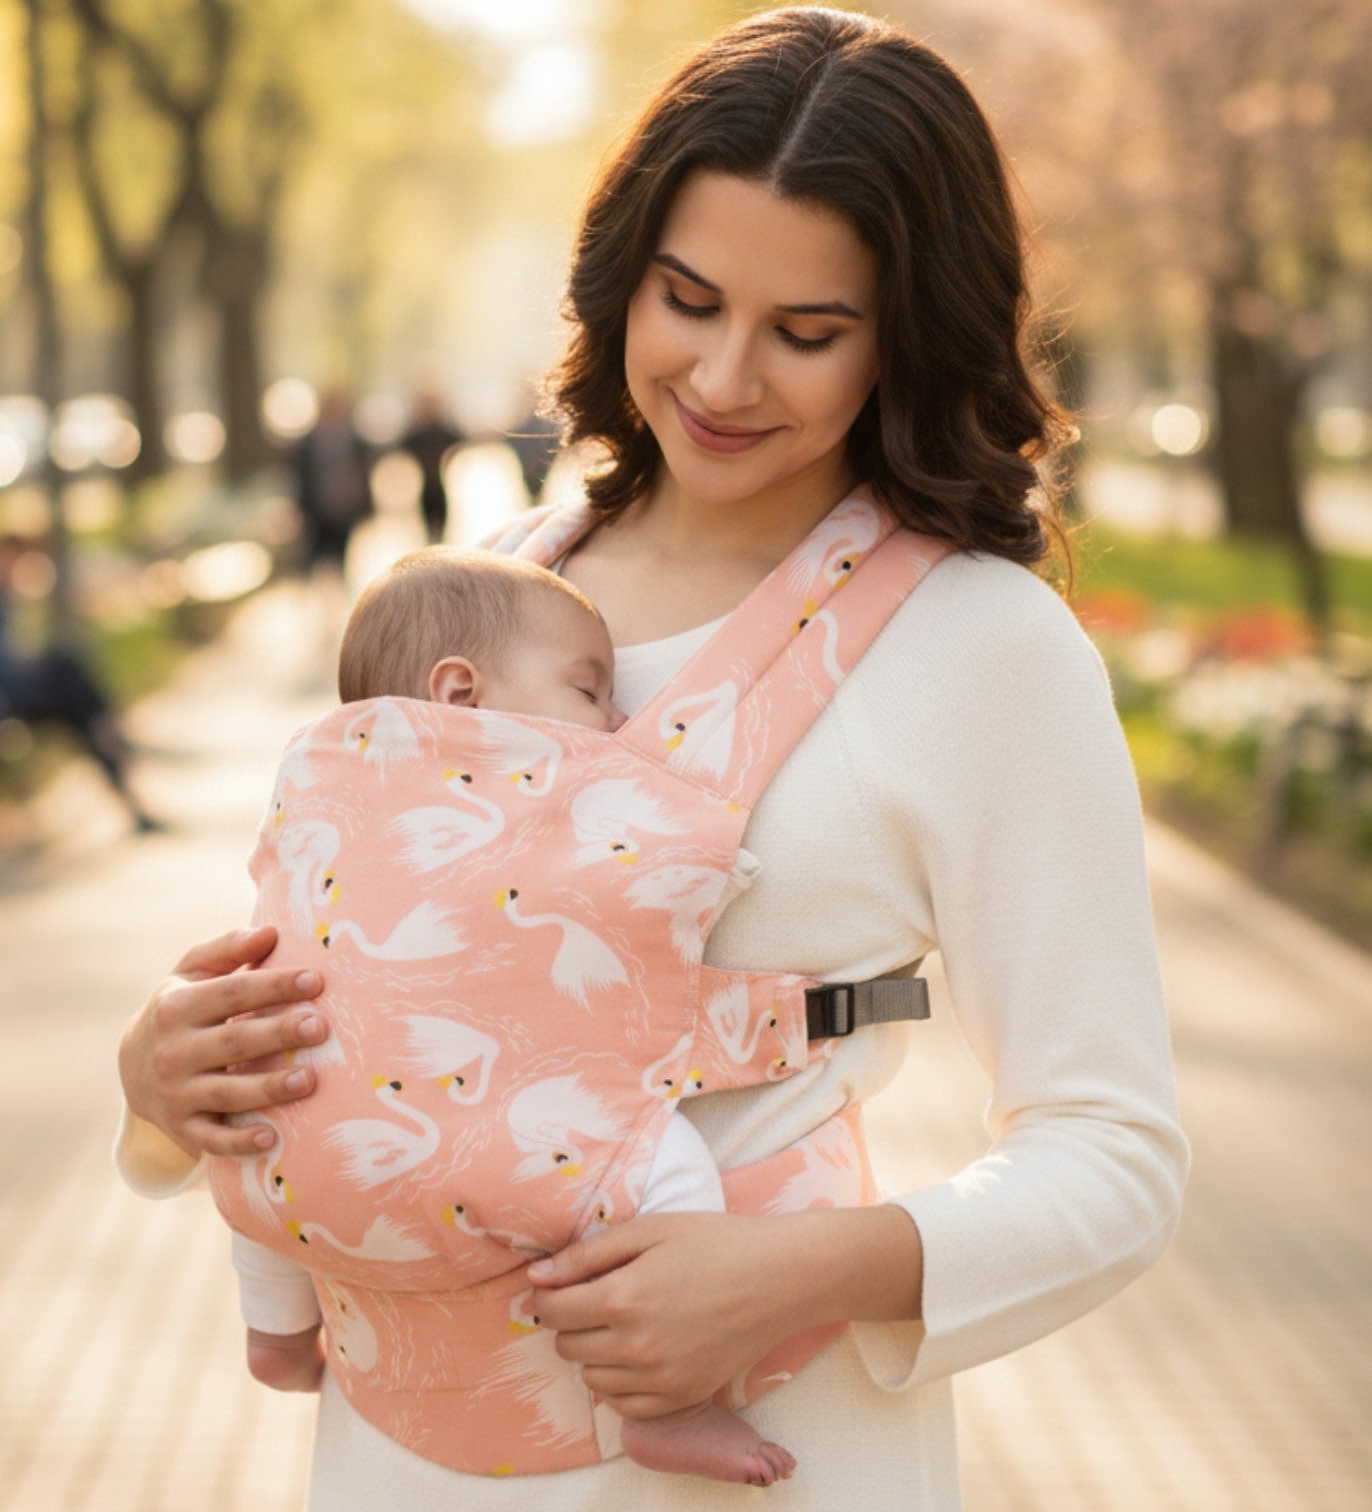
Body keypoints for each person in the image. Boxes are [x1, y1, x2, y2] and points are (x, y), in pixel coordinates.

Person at [115, 10, 1189, 1509]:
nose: (728, 376)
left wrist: (796, 1271)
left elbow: (1114, 1151)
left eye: (808, 333)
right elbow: (351, 974)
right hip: (401, 1449)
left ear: (906, 336)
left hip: (770, 1447)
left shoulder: (979, 646)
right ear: (623, 276)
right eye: (687, 300)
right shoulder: (497, 584)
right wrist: (161, 1084)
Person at [230, 545, 792, 1487]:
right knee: (661, 1168)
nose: (613, 719)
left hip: (289, 1116)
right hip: (491, 1138)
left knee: (262, 1158)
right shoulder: (537, 798)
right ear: (460, 696)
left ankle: (276, 1332)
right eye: (589, 689)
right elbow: (632, 877)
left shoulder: (317, 774)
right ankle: (669, 1400)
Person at [0, 533, 159, 832]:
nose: (17, 576)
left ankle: (112, 742)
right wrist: (30, 667)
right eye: (15, 566)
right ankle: (111, 729)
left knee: (77, 705)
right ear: (0, 557)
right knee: (67, 673)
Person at [292, 389, 377, 574]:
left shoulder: (354, 439)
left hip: (346, 508)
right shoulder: (309, 442)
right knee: (319, 559)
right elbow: (301, 476)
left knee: (341, 557)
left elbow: (364, 472)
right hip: (320, 510)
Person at [399, 389, 465, 545]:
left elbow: (459, 439)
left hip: (439, 485)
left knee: (441, 529)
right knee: (428, 530)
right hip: (425, 486)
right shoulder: (418, 432)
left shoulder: (442, 429)